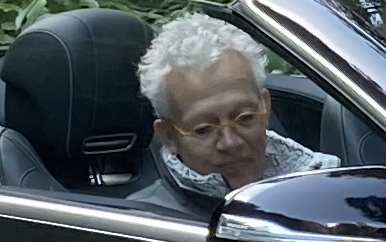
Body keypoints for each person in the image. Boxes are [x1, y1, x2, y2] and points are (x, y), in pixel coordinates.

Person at [133, 12, 335, 212]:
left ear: (265, 107)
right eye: (204, 129)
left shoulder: (327, 183)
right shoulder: (148, 227)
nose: (230, 142)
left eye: (245, 118)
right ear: (169, 136)